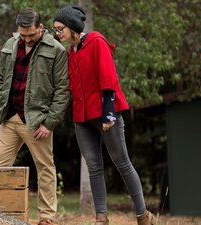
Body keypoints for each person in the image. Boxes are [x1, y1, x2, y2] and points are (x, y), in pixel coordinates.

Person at [53, 5, 155, 225]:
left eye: (60, 28)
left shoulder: (96, 41)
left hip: (105, 114)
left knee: (122, 163)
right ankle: (101, 217)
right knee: (94, 167)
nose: (58, 33)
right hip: (82, 118)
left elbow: (109, 79)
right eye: (56, 29)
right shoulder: (71, 51)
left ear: (72, 27)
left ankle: (143, 215)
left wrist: (109, 115)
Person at [0, 8, 70, 225]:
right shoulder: (10, 44)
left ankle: (46, 218)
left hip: (37, 122)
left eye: (31, 35)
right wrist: (0, 104)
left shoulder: (57, 50)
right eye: (23, 34)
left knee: (45, 167)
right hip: (9, 118)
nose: (26, 39)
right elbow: (0, 78)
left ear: (41, 28)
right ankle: (0, 213)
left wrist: (50, 122)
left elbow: (63, 90)